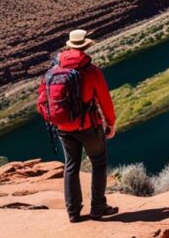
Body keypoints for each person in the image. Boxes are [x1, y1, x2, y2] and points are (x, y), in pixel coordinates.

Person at [37, 29, 118, 223]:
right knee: (98, 162)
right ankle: (98, 208)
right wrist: (111, 123)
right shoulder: (91, 71)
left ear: (69, 46)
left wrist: (58, 120)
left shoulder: (52, 71)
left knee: (71, 166)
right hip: (89, 127)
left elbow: (42, 102)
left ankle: (73, 212)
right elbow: (105, 100)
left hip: (63, 128)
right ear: (86, 47)